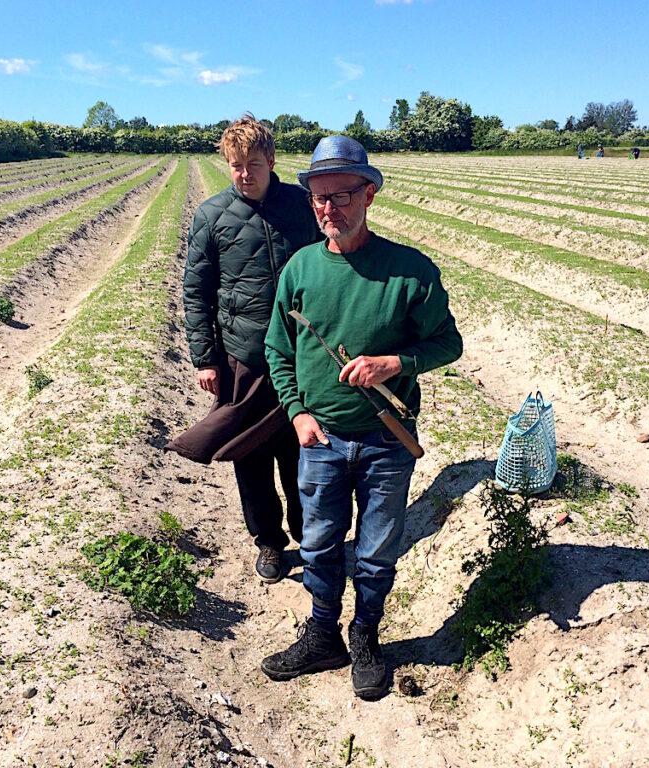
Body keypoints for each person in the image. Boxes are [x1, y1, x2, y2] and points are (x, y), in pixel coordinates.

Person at [261, 135, 463, 700]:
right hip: (320, 440)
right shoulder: (301, 269)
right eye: (319, 199)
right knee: (322, 545)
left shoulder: (410, 271)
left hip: (386, 443)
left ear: (368, 194)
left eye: (342, 196)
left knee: (375, 551)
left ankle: (366, 634)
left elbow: (449, 343)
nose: (330, 209)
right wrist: (298, 413)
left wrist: (397, 362)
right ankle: (323, 634)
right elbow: (278, 350)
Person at [166, 114, 322, 584]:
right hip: (244, 358)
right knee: (250, 456)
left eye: (253, 164)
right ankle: (269, 543)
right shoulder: (211, 216)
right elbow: (196, 293)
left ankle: (310, 536)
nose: (244, 174)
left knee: (304, 450)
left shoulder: (301, 207)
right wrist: (205, 357)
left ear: (272, 161)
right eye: (235, 165)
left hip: (301, 356)